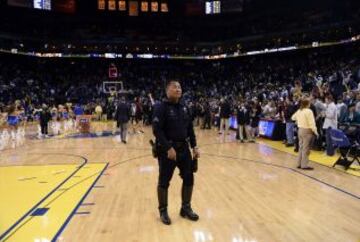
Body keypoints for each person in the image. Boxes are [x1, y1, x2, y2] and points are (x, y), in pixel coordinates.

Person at [152, 80, 200, 225]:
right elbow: (157, 130)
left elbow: (190, 129)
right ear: (167, 91)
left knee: (189, 178)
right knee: (164, 181)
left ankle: (185, 208)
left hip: (184, 148)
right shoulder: (160, 107)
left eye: (180, 87)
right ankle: (163, 211)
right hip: (167, 150)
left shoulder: (185, 107)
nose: (178, 89)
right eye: (175, 87)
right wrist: (168, 148)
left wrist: (195, 146)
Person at [291, 98, 319, 170]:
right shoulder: (309, 111)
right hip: (307, 131)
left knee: (301, 147)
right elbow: (312, 123)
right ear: (307, 104)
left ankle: (299, 163)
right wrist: (316, 132)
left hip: (300, 130)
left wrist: (298, 120)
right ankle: (304, 165)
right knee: (306, 148)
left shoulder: (299, 111)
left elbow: (293, 118)